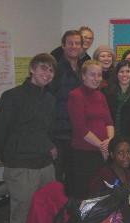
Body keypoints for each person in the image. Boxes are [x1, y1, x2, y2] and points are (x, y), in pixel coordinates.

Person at [0, 53, 57, 223]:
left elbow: (46, 132)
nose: (48, 73)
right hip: (22, 168)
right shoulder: (13, 96)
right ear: (32, 69)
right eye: (43, 68)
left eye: (51, 70)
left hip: (45, 166)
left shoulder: (50, 99)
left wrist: (50, 147)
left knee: (46, 215)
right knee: (22, 219)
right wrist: (11, 159)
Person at [67, 60, 114, 199]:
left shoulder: (100, 95)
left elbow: (109, 122)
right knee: (84, 194)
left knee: (100, 193)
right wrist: (102, 146)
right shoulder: (76, 95)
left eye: (99, 75)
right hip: (84, 155)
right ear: (83, 76)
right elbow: (80, 128)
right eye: (92, 75)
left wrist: (109, 141)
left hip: (102, 153)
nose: (96, 78)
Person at [48, 30, 83, 193]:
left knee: (75, 181)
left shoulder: (84, 69)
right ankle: (55, 217)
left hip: (79, 136)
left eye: (77, 43)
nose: (73, 46)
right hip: (59, 136)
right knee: (55, 182)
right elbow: (46, 106)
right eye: (70, 43)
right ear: (63, 45)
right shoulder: (54, 70)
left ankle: (71, 217)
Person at [103, 60, 130, 138]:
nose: (125, 74)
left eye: (128, 71)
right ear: (116, 74)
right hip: (109, 138)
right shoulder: (107, 93)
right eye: (121, 71)